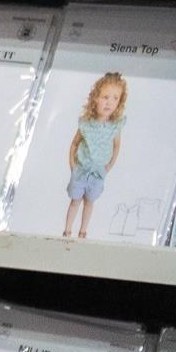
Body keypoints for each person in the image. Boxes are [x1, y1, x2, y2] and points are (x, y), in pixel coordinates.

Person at [64, 72, 127, 239]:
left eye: (115, 98)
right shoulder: (86, 123)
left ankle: (83, 231)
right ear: (95, 99)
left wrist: (108, 167)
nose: (110, 102)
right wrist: (73, 165)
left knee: (90, 202)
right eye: (105, 97)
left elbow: (116, 146)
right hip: (81, 169)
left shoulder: (114, 126)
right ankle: (67, 231)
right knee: (75, 201)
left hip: (98, 172)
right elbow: (74, 144)